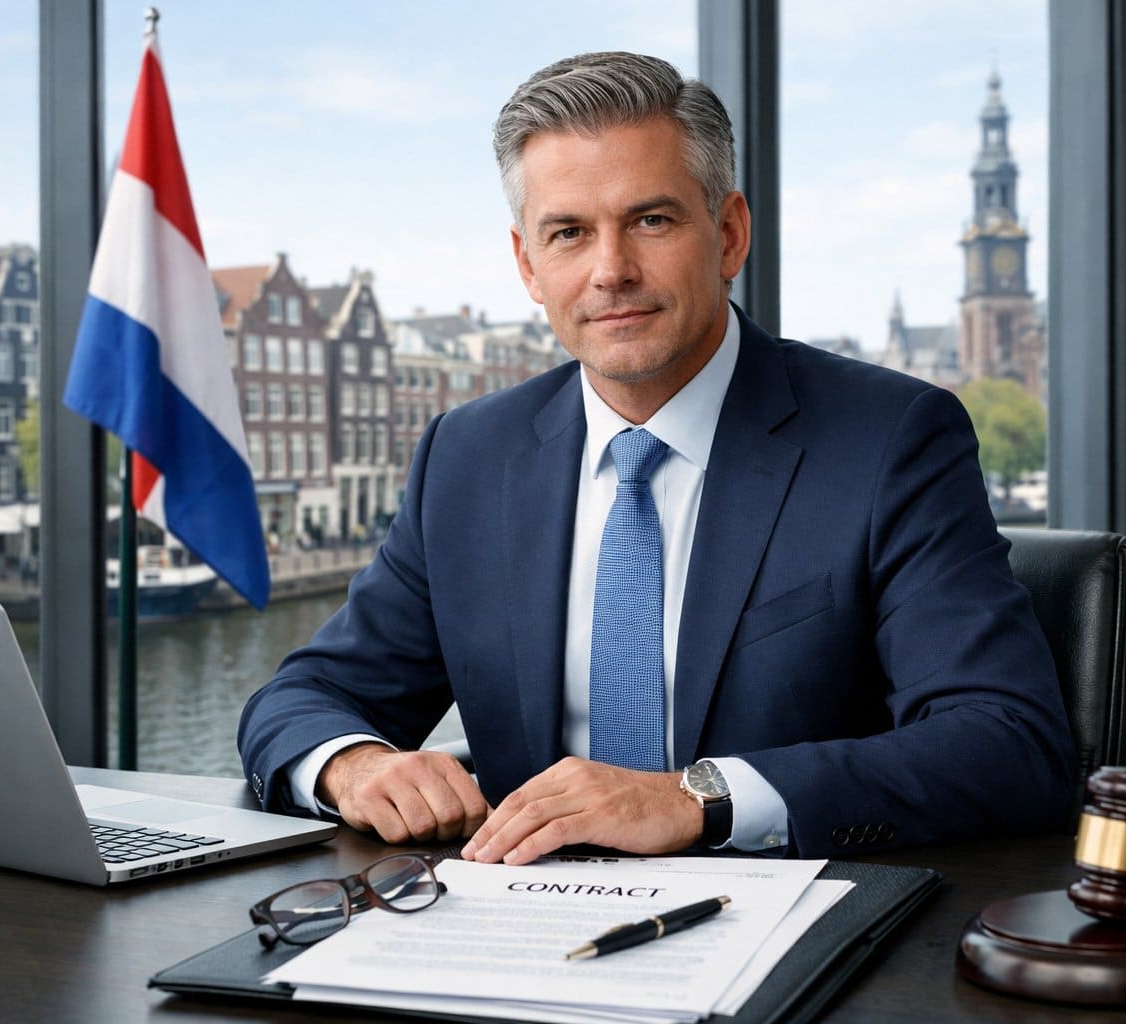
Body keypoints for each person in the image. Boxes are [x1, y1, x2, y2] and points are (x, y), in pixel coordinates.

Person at [239, 51, 1075, 865]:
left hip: (787, 952)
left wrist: (696, 798)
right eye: (569, 233)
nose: (612, 271)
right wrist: (355, 766)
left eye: (651, 219)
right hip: (517, 940)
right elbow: (302, 700)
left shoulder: (891, 439)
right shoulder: (468, 456)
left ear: (730, 233)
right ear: (529, 265)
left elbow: (1007, 743)